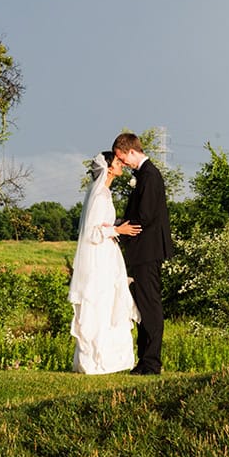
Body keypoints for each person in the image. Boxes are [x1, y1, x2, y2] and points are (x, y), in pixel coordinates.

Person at [68, 150, 140, 374]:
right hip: (99, 257)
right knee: (101, 301)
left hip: (107, 254)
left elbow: (100, 222)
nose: (122, 165)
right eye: (118, 162)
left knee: (109, 302)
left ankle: (111, 359)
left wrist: (116, 225)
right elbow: (92, 231)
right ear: (109, 168)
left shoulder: (103, 193)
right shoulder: (99, 194)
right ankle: (97, 360)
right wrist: (118, 229)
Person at [113, 131, 174, 375]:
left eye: (122, 158)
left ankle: (152, 362)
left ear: (131, 151)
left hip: (148, 251)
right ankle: (144, 360)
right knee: (142, 306)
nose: (123, 163)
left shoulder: (150, 176)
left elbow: (146, 217)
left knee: (150, 306)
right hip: (142, 252)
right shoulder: (144, 175)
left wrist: (121, 228)